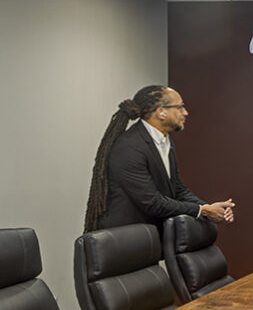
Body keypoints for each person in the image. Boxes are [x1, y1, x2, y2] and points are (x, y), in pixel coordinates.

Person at [83, 85, 235, 233]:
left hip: (147, 237)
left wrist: (210, 207)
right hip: (124, 241)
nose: (186, 112)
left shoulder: (165, 142)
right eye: (180, 107)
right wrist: (204, 211)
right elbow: (152, 202)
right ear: (161, 112)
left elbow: (178, 190)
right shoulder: (129, 147)